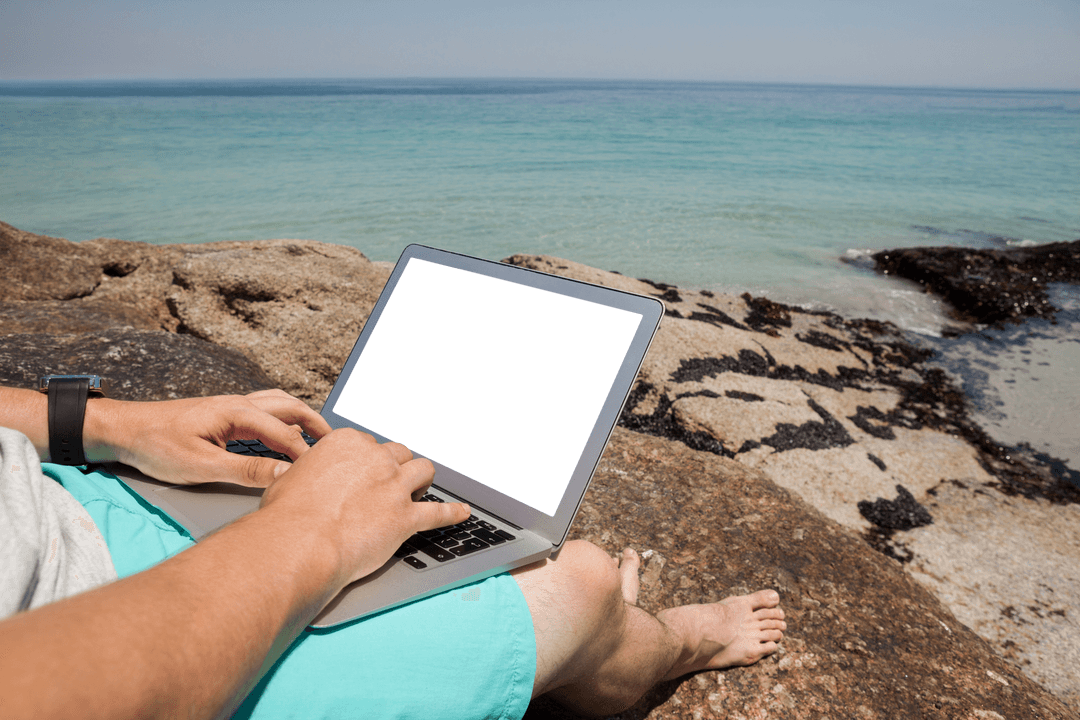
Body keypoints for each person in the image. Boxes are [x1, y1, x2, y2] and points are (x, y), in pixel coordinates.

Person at [0, 386, 785, 719]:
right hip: (126, 666)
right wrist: (307, 535)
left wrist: (99, 424)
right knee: (578, 580)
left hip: (56, 489)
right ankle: (671, 640)